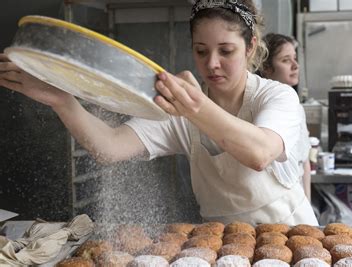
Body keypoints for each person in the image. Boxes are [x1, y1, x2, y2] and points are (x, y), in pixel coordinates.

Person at [0, 0, 318, 226]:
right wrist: (62, 101)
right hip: (221, 247)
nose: (212, 64)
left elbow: (259, 153)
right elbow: (110, 147)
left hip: (290, 241)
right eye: (201, 51)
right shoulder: (183, 109)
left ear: (250, 47)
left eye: (226, 51)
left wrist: (196, 108)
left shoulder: (276, 97)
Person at [259, 33, 312, 201]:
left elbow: (304, 162)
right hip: (274, 200)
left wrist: (307, 204)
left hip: (297, 199)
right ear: (266, 68)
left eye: (295, 58)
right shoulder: (261, 107)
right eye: (286, 60)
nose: (295, 66)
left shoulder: (298, 108)